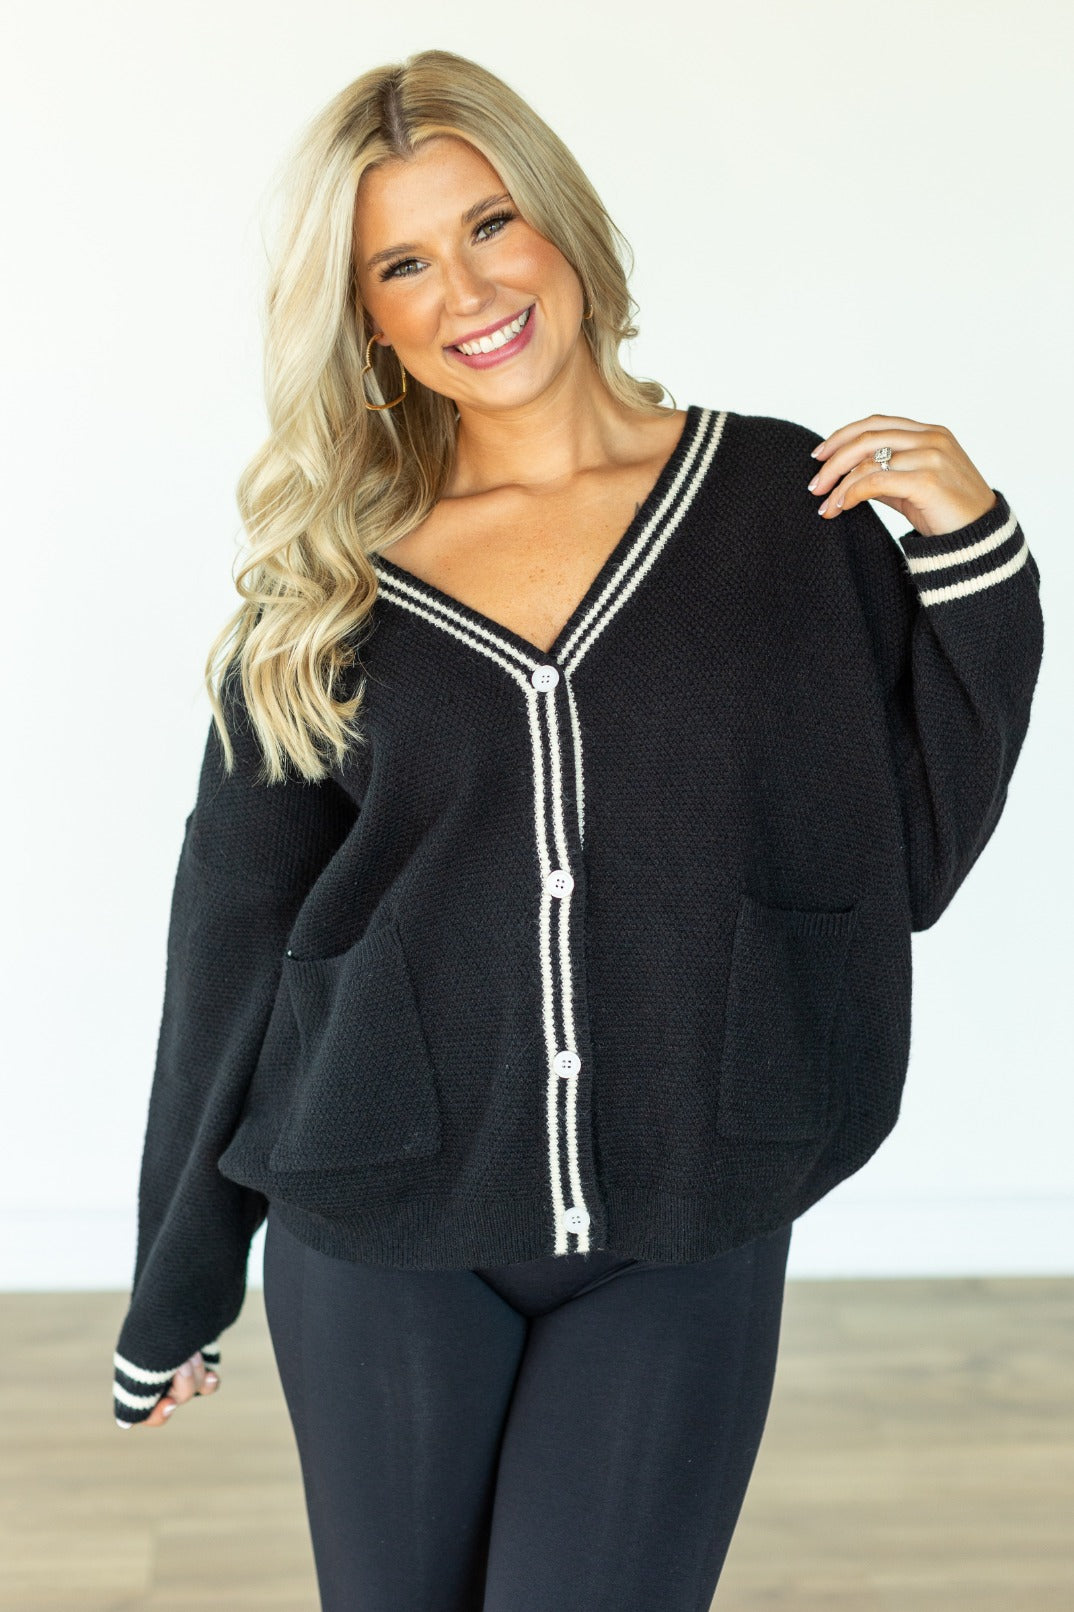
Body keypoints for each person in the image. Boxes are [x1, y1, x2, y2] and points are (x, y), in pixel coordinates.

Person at [111, 47, 1045, 1612]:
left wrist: (974, 564)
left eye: (490, 224)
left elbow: (909, 854)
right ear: (367, 319)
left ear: (561, 224)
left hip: (687, 1208)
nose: (467, 289)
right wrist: (178, 1275)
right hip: (377, 1218)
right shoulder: (328, 583)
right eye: (402, 264)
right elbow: (231, 939)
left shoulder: (778, 502)